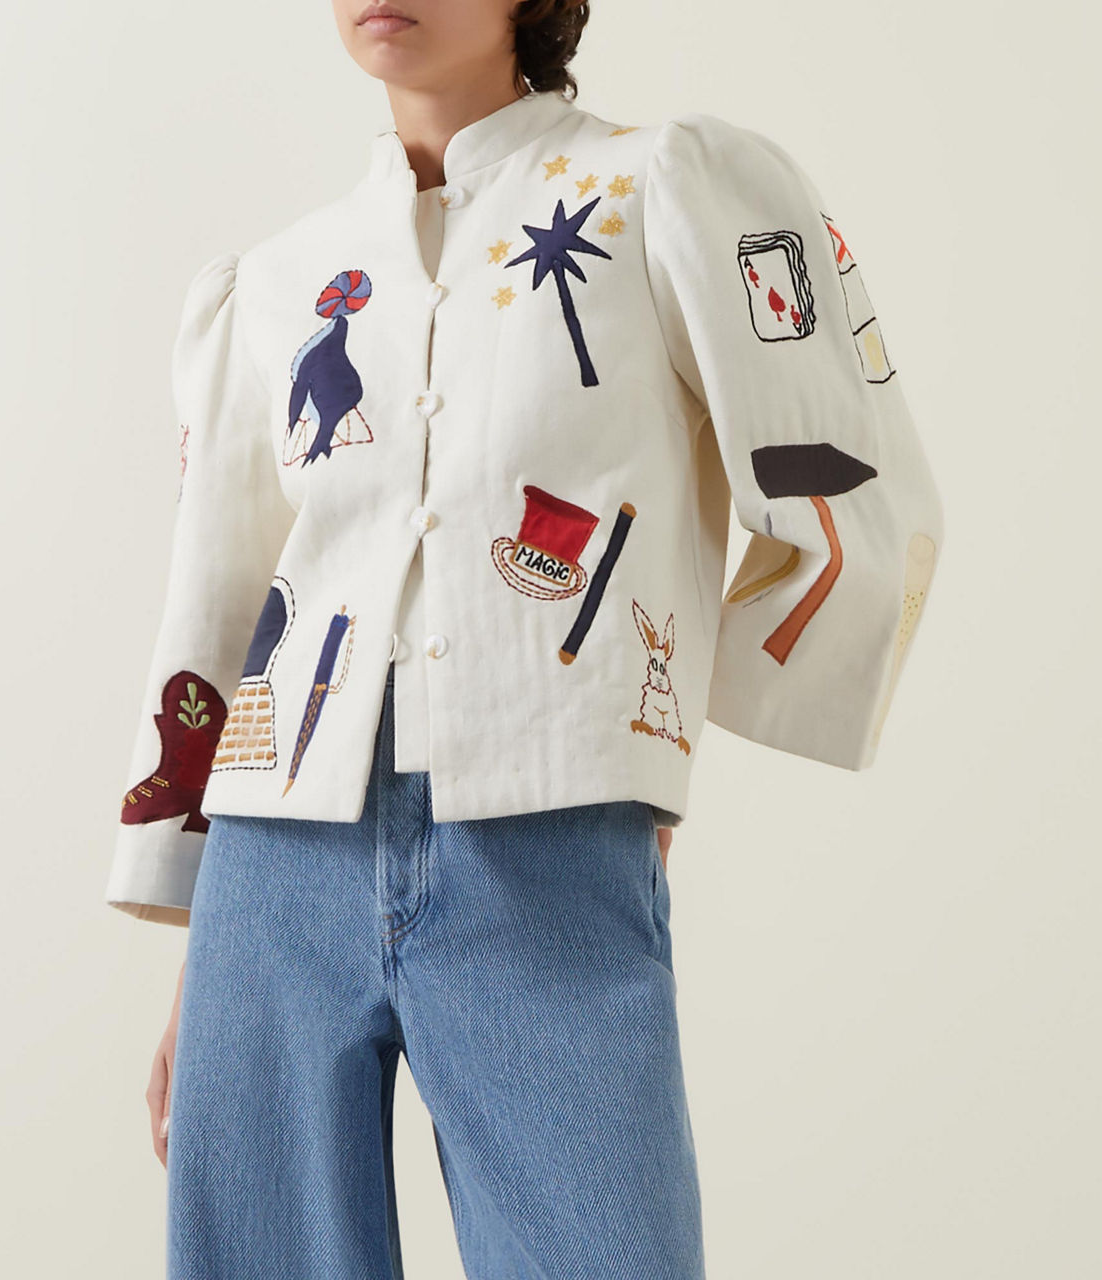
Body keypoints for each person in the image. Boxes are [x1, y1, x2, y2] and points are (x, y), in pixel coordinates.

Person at [111, 2, 945, 1275]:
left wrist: (629, 736)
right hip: (270, 869)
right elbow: (221, 600)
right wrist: (197, 957)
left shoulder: (657, 190)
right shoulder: (276, 280)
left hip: (543, 848)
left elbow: (857, 486)